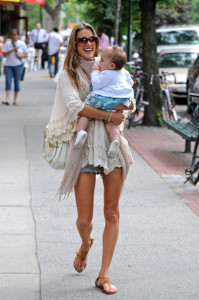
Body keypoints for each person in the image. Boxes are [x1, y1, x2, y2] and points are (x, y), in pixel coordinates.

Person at [45, 22, 134, 295]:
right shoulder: (68, 75)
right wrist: (109, 114)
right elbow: (75, 108)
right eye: (82, 39)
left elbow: (128, 102)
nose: (88, 43)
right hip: (82, 147)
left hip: (111, 146)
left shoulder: (110, 64)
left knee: (112, 212)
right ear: (74, 43)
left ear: (97, 42)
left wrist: (117, 109)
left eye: (92, 38)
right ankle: (85, 245)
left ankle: (104, 274)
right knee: (84, 220)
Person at [74, 45, 135, 160]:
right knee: (111, 125)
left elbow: (96, 84)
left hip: (104, 99)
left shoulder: (106, 73)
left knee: (85, 114)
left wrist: (95, 72)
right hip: (122, 100)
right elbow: (130, 83)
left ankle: (80, 132)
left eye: (102, 60)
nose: (99, 62)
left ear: (112, 65)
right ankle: (115, 141)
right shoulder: (124, 72)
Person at [2, 29, 28, 106]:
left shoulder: (22, 44)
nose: (14, 36)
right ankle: (7, 99)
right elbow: (4, 54)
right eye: (12, 35)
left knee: (17, 82)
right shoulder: (7, 44)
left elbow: (26, 54)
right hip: (8, 66)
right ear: (10, 36)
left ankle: (15, 100)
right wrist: (13, 49)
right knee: (8, 82)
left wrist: (20, 55)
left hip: (18, 66)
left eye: (15, 35)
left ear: (18, 35)